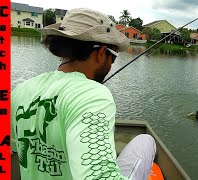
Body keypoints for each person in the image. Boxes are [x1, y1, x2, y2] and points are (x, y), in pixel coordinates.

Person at [11, 8, 156, 180]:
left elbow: (15, 151)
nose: (111, 64)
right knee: (146, 142)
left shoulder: (20, 90)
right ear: (102, 53)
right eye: (113, 56)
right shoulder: (94, 95)